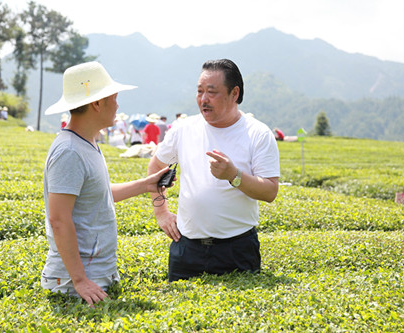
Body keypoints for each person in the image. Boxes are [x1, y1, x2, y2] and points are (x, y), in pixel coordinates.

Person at [41, 61, 171, 306]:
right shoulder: (69, 151)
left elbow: (96, 194)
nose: (118, 104)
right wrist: (79, 280)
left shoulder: (87, 143)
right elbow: (59, 219)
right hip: (74, 283)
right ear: (97, 103)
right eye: (114, 97)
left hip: (96, 275)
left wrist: (147, 185)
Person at [147, 59, 280, 282]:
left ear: (234, 93)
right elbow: (156, 167)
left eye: (212, 92)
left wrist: (233, 176)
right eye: (199, 92)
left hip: (237, 249)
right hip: (186, 248)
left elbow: (269, 192)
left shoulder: (258, 134)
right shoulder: (183, 128)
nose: (203, 99)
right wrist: (161, 212)